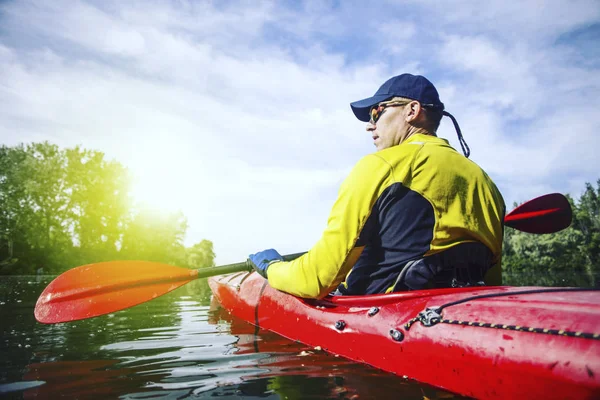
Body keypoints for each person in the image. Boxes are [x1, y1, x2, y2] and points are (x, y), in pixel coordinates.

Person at [249, 73, 505, 299]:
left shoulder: (381, 165)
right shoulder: (487, 184)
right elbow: (493, 283)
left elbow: (316, 280)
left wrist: (272, 267)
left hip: (381, 316)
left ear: (412, 110)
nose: (370, 125)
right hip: (461, 308)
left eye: (376, 112)